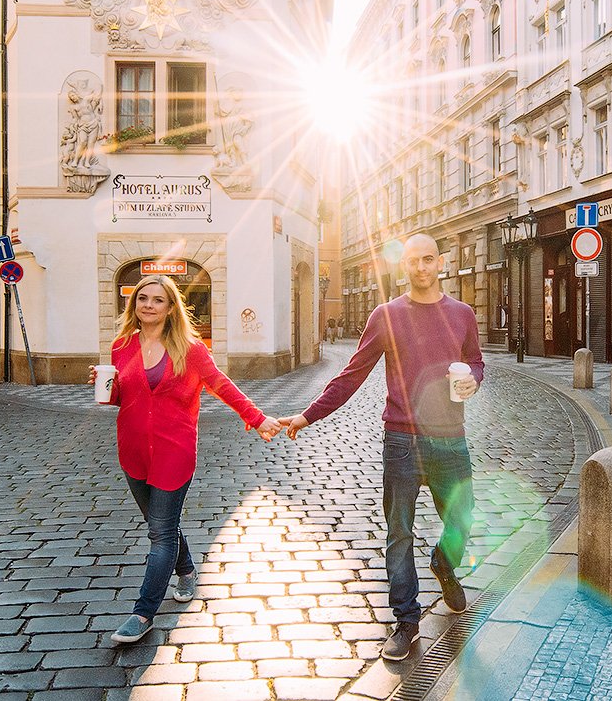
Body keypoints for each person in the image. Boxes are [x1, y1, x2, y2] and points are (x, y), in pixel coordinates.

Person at [279, 234, 483, 661]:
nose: (422, 267)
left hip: (451, 437)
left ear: (441, 262)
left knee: (461, 519)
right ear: (402, 266)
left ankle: (444, 566)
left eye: (429, 259)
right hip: (402, 440)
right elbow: (351, 375)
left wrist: (474, 379)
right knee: (399, 533)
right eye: (413, 261)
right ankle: (406, 621)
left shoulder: (462, 314)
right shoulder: (386, 315)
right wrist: (306, 416)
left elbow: (475, 360)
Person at [93, 274, 282, 644]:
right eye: (142, 298)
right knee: (160, 522)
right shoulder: (121, 346)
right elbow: (124, 399)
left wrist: (257, 418)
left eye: (157, 299)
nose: (148, 304)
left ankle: (143, 613)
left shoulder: (190, 349)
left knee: (160, 533)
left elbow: (220, 384)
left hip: (174, 450)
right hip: (132, 450)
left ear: (170, 307)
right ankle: (188, 570)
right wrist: (109, 388)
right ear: (134, 305)